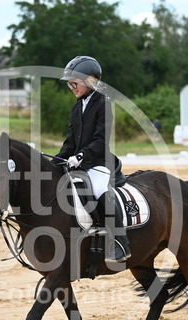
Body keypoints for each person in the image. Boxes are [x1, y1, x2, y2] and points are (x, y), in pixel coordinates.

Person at [56, 55, 131, 263]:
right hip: (79, 163)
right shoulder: (76, 107)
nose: (71, 87)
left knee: (98, 190)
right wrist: (54, 161)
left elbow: (101, 140)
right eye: (69, 84)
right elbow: (70, 142)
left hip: (99, 162)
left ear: (91, 80)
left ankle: (121, 242)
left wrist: (81, 155)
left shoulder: (103, 103)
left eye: (75, 82)